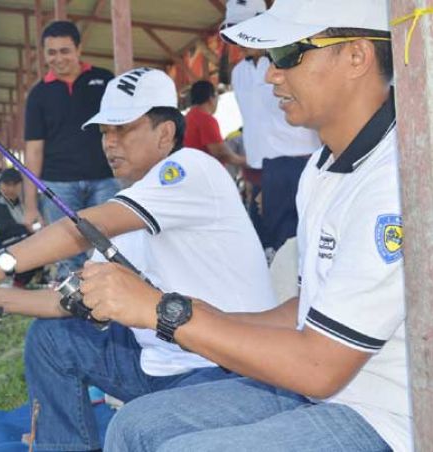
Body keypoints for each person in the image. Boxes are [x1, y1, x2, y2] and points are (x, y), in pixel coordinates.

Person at [95, 1, 410, 450]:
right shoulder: (322, 166)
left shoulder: (395, 179)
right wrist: (204, 320)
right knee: (134, 425)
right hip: (319, 393)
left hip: (386, 417)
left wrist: (164, 314)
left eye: (287, 54)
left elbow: (320, 368)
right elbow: (307, 309)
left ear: (357, 56)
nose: (270, 75)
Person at [0, 68, 277, 451]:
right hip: (154, 366)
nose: (109, 143)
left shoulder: (191, 170)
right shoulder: (132, 204)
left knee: (137, 429)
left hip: (219, 369)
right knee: (51, 339)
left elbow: (77, 229)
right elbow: (71, 300)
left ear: (165, 133)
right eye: (104, 132)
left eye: (123, 129)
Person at [23, 20, 119, 281]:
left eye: (65, 50)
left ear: (79, 49)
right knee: (67, 254)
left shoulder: (105, 80)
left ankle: (114, 313)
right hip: (58, 187)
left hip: (106, 180)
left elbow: (123, 129)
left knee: (111, 248)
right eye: (51, 52)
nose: (58, 58)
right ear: (43, 54)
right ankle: (73, 314)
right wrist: (30, 205)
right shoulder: (38, 95)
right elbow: (33, 150)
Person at [225, 0, 322, 256]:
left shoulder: (291, 58)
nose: (241, 38)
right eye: (234, 30)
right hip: (259, 170)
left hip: (299, 163)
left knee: (298, 243)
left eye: (244, 28)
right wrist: (252, 176)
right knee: (266, 247)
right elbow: (252, 122)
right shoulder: (238, 73)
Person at [183, 80, 246, 168]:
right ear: (211, 98)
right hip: (206, 172)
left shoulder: (188, 117)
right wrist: (246, 161)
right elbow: (220, 153)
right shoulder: (205, 119)